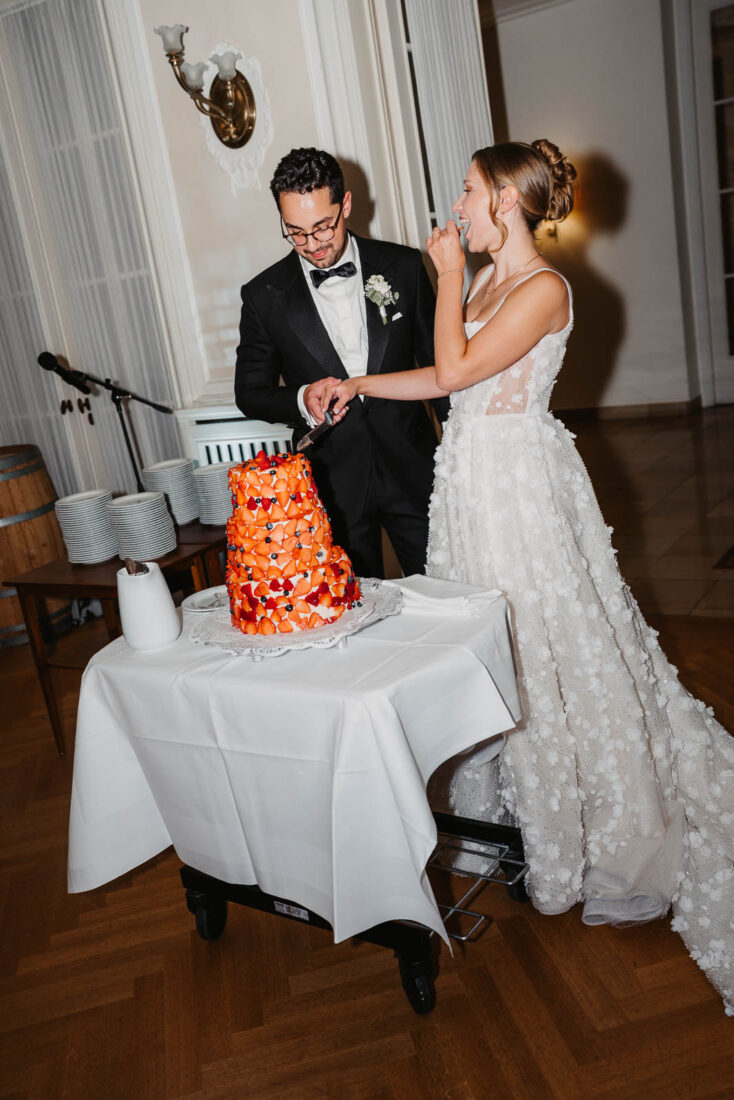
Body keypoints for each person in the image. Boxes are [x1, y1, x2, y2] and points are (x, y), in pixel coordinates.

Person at [319, 139, 734, 1013]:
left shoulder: (545, 289)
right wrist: (356, 382)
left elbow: (463, 368)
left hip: (519, 494)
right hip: (469, 487)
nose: (458, 205)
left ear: (506, 200)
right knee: (487, 649)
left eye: (469, 191)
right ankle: (507, 813)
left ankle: (598, 827)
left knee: (545, 646)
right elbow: (441, 377)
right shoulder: (482, 281)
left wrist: (439, 278)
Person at [234, 147, 448, 579]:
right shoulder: (262, 296)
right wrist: (299, 398)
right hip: (333, 483)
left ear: (345, 205)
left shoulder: (404, 267)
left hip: (414, 467)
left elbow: (441, 367)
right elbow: (249, 393)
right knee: (354, 617)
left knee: (444, 589)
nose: (312, 245)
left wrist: (461, 454)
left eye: (322, 227)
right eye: (295, 232)